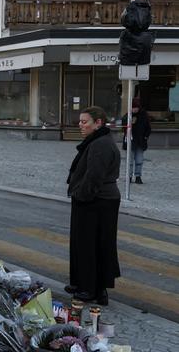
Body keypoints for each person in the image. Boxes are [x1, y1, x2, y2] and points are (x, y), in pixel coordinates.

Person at [65, 106, 121, 305]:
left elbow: (94, 176)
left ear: (98, 123)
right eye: (80, 121)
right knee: (86, 244)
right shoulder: (97, 141)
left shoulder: (101, 144)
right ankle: (84, 283)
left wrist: (81, 195)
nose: (81, 125)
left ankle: (91, 289)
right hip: (97, 199)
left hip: (97, 200)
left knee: (91, 245)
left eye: (85, 121)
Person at [121, 98, 151, 184]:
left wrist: (145, 137)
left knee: (139, 160)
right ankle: (129, 176)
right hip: (130, 141)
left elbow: (148, 128)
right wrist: (129, 120)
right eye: (133, 107)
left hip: (140, 142)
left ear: (139, 108)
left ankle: (138, 176)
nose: (134, 109)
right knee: (129, 161)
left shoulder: (144, 115)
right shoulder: (128, 115)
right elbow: (123, 126)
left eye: (136, 108)